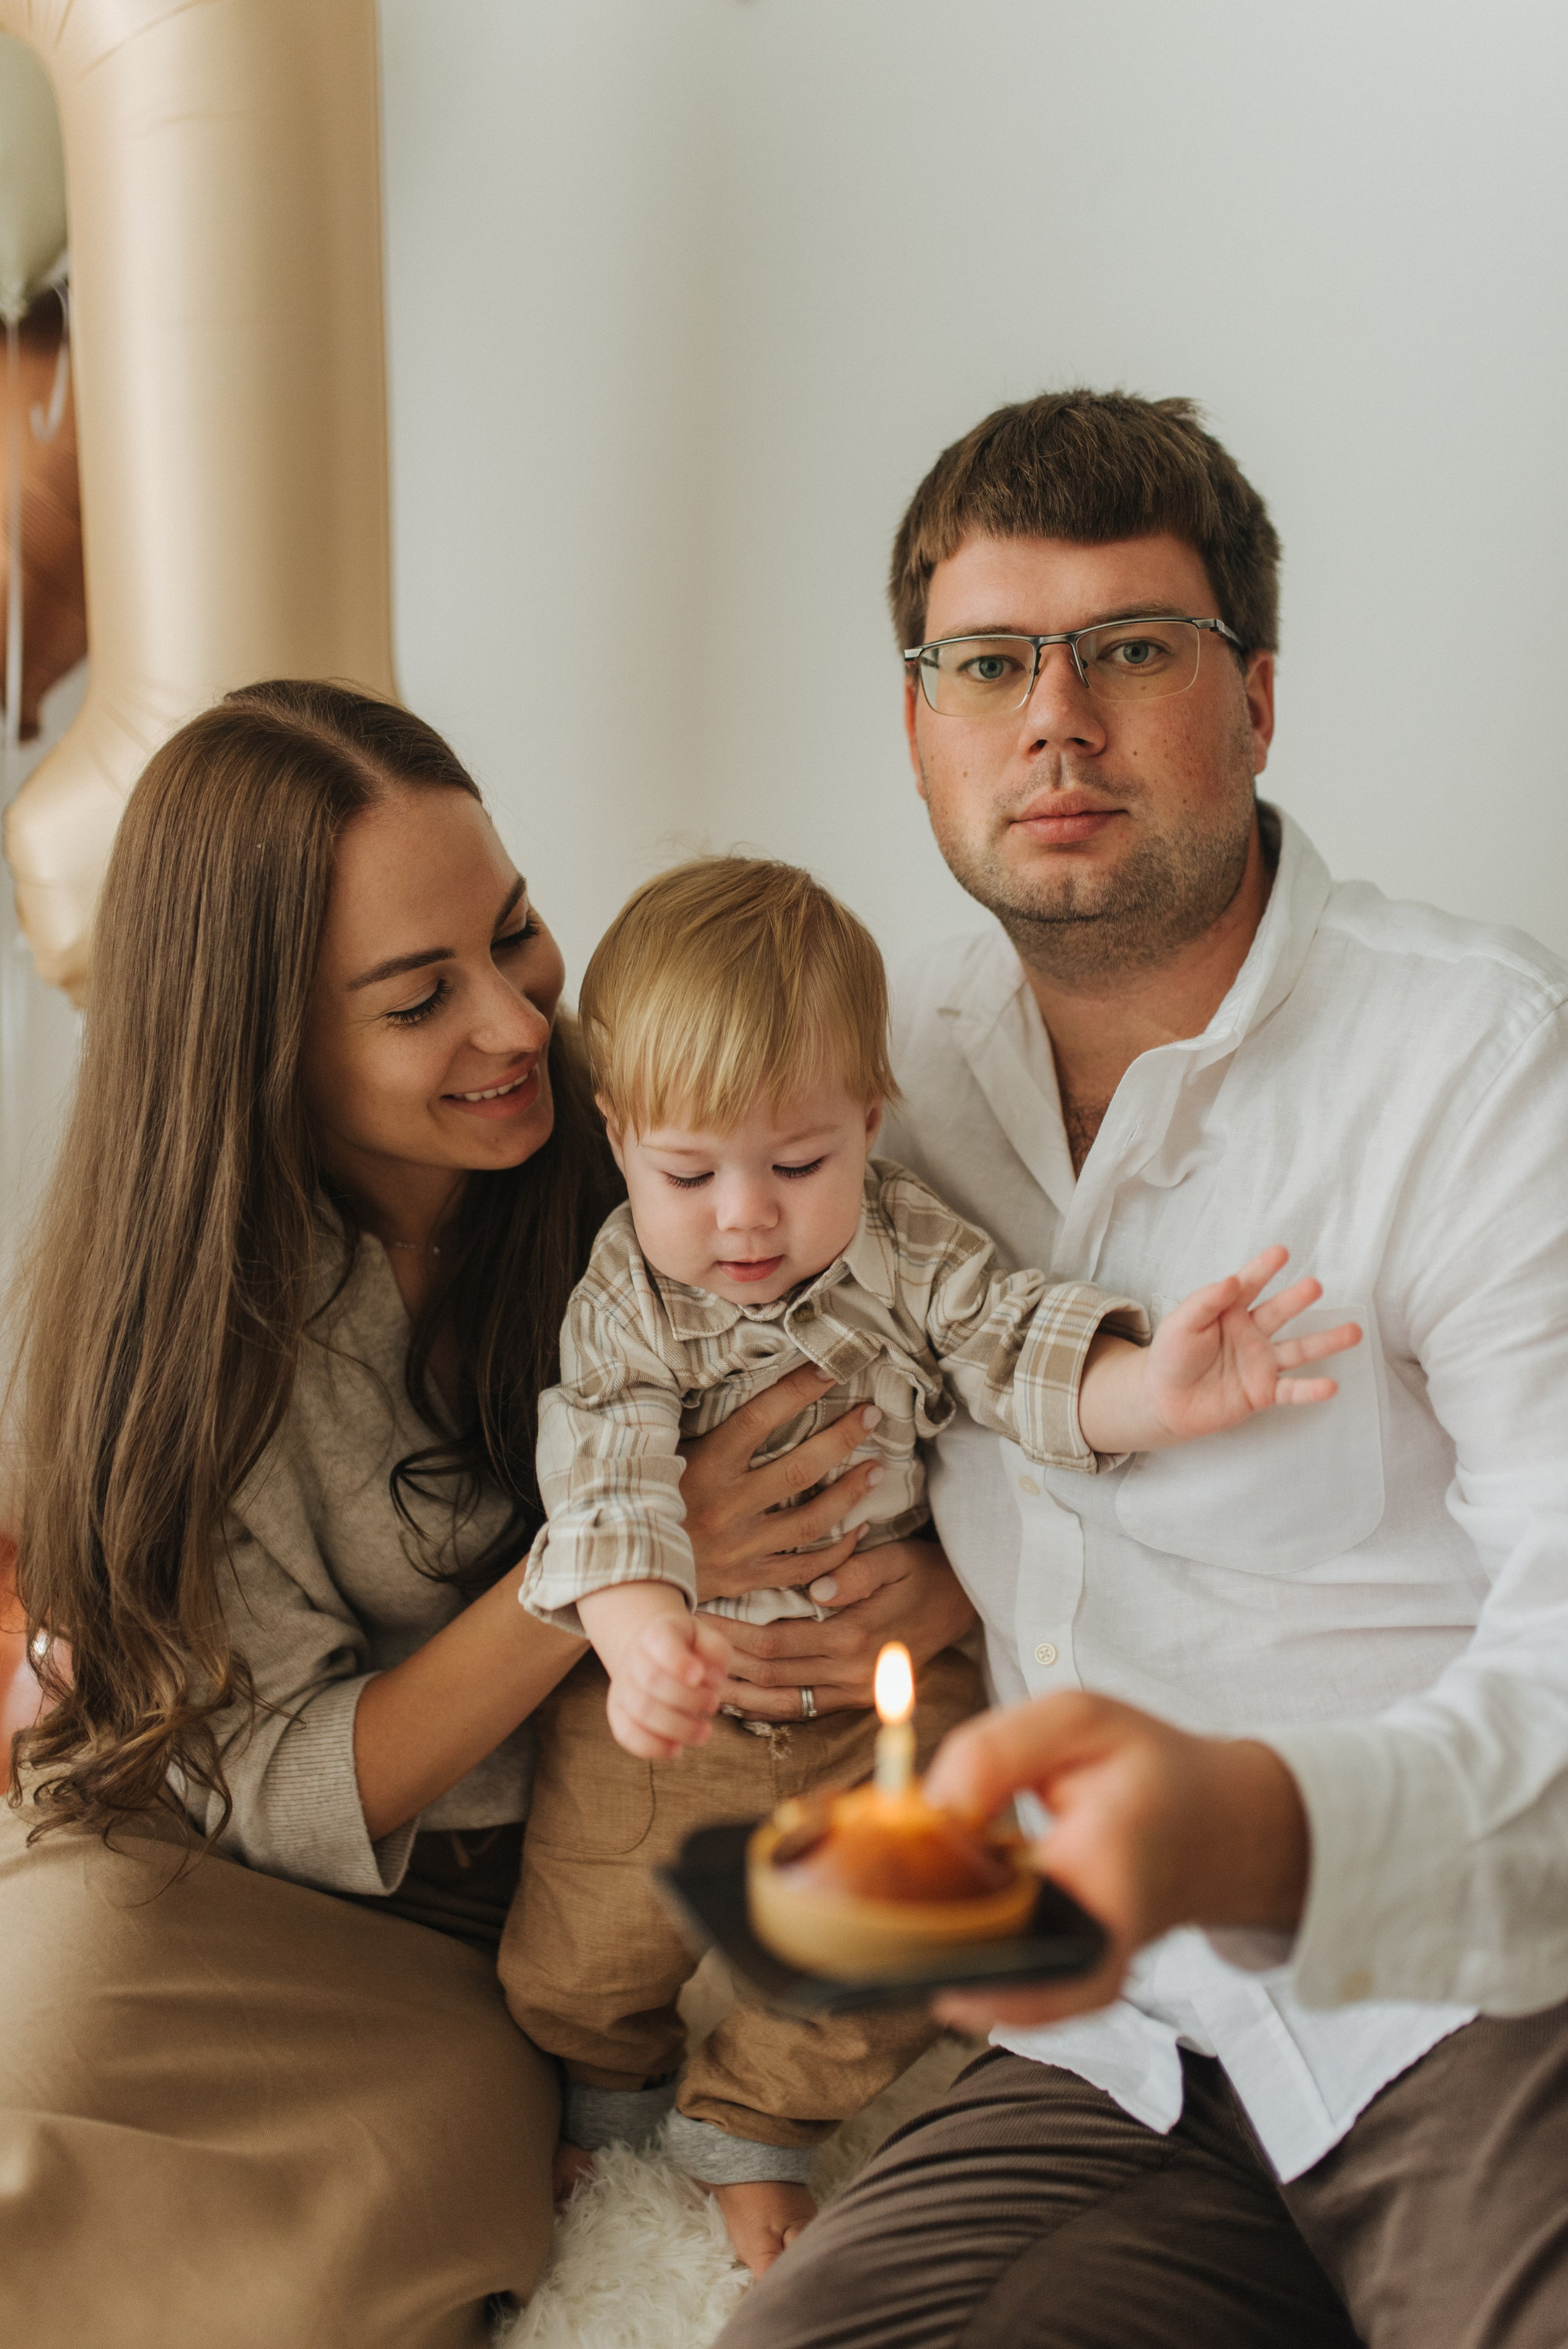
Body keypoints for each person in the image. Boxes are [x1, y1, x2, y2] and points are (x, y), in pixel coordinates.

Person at [716, 390, 1568, 2349]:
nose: (1055, 719)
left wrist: (1252, 1820)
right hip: (1107, 2030)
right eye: (989, 661)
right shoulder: (872, 1074)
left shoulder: (1483, 1063)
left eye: (1131, 652)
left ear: (1258, 704)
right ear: (916, 721)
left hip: (1474, 1984)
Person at [0, 681, 974, 2349]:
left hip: (509, 1922)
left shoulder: (666, 1159)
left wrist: (930, 1599)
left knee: (342, 2250)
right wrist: (609, 1562)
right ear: (265, 1040)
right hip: (206, 1871)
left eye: (515, 932)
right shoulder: (191, 1330)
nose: (519, 1023)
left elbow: (940, 1387)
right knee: (40, 2106)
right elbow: (258, 1775)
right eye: (415, 996)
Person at [503, 852, 1355, 2274]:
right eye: (688, 1172)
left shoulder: (904, 1252)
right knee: (582, 1931)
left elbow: (1015, 1346)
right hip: (670, 1692)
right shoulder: (625, 1295)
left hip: (873, 1699)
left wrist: (1156, 1392)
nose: (746, 1219)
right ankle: (604, 2075)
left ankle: (757, 2119)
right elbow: (598, 1463)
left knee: (912, 1924)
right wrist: (640, 1629)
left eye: (797, 1163)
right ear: (615, 1137)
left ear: (868, 1122)